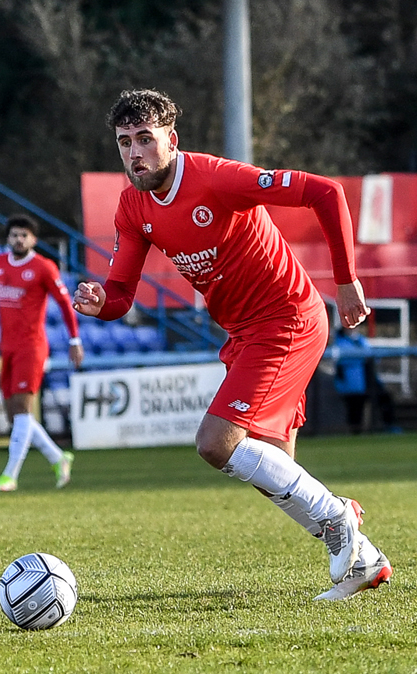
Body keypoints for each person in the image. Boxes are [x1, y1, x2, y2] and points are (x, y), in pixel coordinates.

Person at [71, 89, 391, 601]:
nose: (135, 153)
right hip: (244, 333)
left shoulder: (215, 178)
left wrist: (346, 279)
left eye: (146, 139)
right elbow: (121, 292)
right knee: (274, 469)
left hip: (287, 319)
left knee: (216, 444)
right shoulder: (133, 206)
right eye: (125, 142)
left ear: (172, 140)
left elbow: (327, 192)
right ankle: (367, 561)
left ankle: (338, 517)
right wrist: (99, 301)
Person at [0, 214, 82, 492]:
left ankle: (10, 475)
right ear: (8, 238)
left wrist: (74, 339)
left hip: (32, 347)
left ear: (33, 240)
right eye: (14, 235)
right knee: (16, 416)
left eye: (24, 235)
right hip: (7, 346)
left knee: (21, 410)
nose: (19, 240)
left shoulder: (44, 267)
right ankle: (58, 457)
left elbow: (65, 304)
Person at [333, 326, 398, 434]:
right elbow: (345, 359)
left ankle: (389, 426)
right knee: (355, 409)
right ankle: (355, 433)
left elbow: (371, 355)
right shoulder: (340, 343)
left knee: (384, 399)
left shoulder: (360, 340)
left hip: (368, 380)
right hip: (352, 384)